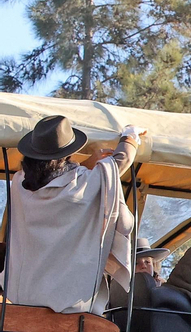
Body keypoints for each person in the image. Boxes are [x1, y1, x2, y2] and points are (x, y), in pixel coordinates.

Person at [0, 116, 137, 315]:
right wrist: (130, 138)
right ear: (66, 155)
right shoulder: (81, 186)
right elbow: (118, 164)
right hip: (69, 304)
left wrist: (89, 162)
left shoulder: (19, 184)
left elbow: (55, 179)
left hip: (23, 298)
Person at [106, 240, 171, 309]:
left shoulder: (164, 288)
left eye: (147, 262)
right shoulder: (117, 290)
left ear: (153, 265)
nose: (143, 266)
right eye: (136, 263)